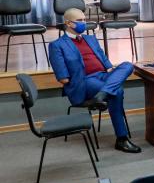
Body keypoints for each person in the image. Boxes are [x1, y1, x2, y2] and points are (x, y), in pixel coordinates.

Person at [48, 8, 140, 153]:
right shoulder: (57, 45)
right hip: (83, 82)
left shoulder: (90, 39)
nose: (83, 23)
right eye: (79, 21)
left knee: (127, 65)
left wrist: (109, 74)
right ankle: (121, 139)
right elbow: (64, 79)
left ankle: (103, 94)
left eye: (84, 20)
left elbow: (107, 65)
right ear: (68, 23)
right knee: (117, 91)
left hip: (103, 76)